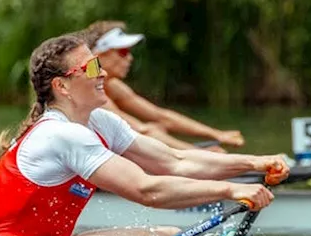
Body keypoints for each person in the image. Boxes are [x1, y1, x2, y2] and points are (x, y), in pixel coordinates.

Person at [0, 33, 289, 236]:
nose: (103, 74)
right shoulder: (59, 134)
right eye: (91, 66)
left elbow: (174, 161)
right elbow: (146, 189)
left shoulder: (99, 122)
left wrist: (254, 163)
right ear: (62, 87)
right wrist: (231, 190)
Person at [81, 20, 245, 151]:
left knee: (156, 129)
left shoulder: (113, 86)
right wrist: (199, 154)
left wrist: (218, 135)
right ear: (98, 54)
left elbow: (161, 116)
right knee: (152, 131)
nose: (130, 58)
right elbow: (139, 131)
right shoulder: (87, 88)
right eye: (123, 52)